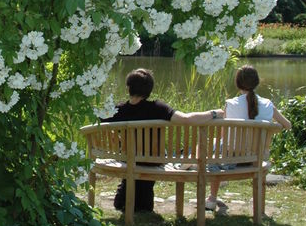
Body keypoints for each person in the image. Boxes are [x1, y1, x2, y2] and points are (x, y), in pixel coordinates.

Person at [105, 68, 224, 213]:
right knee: (144, 203)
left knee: (124, 200)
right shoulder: (158, 108)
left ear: (129, 87)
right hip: (153, 160)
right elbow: (186, 119)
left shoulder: (118, 110)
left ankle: (127, 200)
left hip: (128, 159)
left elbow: (98, 121)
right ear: (149, 90)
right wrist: (213, 113)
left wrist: (115, 138)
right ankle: (139, 203)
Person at [206, 65, 291, 211]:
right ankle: (259, 206)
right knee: (219, 148)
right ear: (257, 82)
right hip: (256, 158)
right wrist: (273, 128)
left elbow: (223, 136)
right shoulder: (268, 104)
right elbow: (287, 125)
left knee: (217, 148)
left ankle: (212, 198)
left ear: (238, 83)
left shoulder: (231, 104)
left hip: (232, 158)